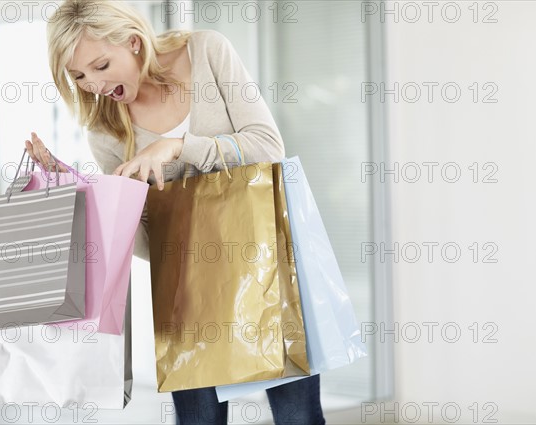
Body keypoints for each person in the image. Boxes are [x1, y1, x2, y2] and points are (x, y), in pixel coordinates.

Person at [25, 1, 326, 424]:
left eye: (100, 65)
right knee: (198, 420)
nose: (92, 83)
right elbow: (151, 243)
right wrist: (88, 195)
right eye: (78, 76)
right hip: (185, 290)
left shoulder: (206, 52)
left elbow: (267, 146)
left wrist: (178, 147)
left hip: (265, 267)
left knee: (298, 416)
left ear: (133, 43)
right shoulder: (105, 129)